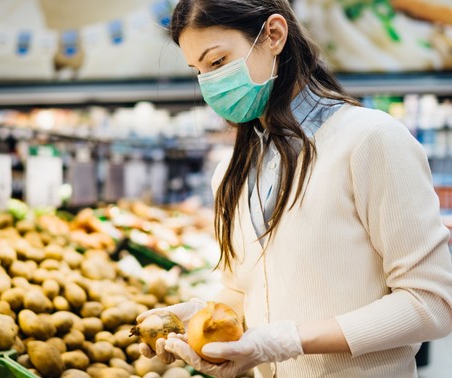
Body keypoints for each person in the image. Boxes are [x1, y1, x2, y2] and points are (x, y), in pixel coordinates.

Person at [136, 0, 452, 377]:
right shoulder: (231, 173)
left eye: (217, 62)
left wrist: (290, 341)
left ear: (274, 35)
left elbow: (430, 302)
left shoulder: (371, 140)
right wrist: (204, 317)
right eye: (199, 71)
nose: (210, 86)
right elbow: (248, 290)